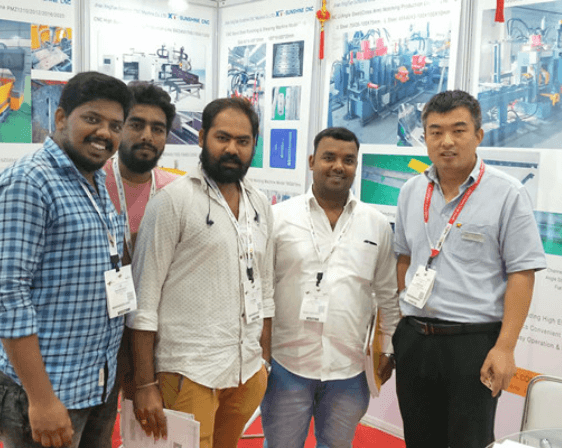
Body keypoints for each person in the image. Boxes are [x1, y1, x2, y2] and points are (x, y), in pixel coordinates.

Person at [0, 71, 132, 448]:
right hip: (44, 391)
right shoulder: (28, 182)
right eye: (92, 119)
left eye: (115, 126)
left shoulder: (92, 180)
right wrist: (42, 399)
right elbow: (7, 297)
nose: (104, 133)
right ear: (62, 118)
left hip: (92, 384)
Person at [393, 90, 546, 448]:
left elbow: (521, 274)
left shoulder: (507, 193)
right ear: (425, 137)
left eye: (458, 130)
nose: (446, 141)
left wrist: (505, 348)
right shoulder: (411, 191)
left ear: (478, 135)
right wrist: (399, 325)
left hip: (473, 344)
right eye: (435, 132)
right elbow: (404, 258)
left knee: (470, 441)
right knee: (419, 438)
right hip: (415, 339)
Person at [127, 97, 274, 447]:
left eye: (243, 141)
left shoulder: (260, 204)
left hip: (246, 369)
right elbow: (143, 301)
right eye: (222, 138)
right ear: (202, 137)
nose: (232, 149)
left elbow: (265, 287)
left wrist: (263, 361)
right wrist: (144, 383)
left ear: (253, 144)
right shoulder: (172, 201)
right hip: (188, 372)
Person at [260, 127, 400, 448]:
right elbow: (262, 291)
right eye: (329, 157)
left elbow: (388, 294)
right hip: (286, 365)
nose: (339, 166)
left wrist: (389, 349)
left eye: (348, 160)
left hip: (349, 369)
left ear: (356, 166)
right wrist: (262, 354)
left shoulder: (376, 224)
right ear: (312, 161)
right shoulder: (279, 218)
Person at [104, 81, 178, 264]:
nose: (147, 136)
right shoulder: (92, 182)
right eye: (137, 125)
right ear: (118, 127)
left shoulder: (176, 190)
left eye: (157, 129)